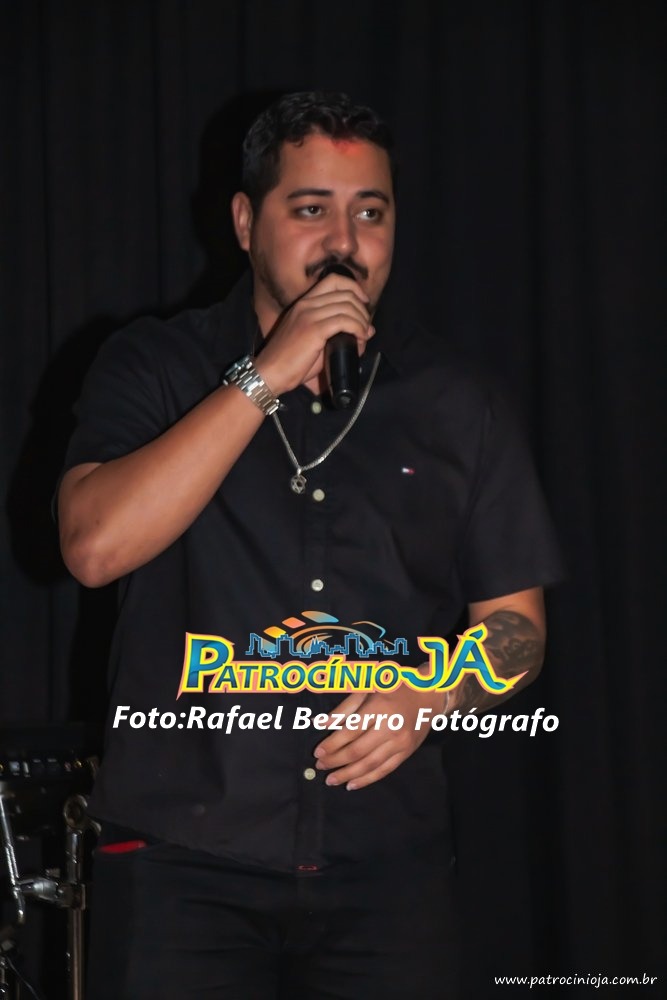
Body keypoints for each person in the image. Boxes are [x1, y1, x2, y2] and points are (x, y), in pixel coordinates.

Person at [58, 91, 561, 999]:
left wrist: (435, 690)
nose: (344, 242)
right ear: (244, 222)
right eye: (310, 208)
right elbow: (94, 548)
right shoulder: (156, 365)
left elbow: (516, 628)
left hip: (387, 873)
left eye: (370, 212)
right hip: (183, 865)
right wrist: (265, 376)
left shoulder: (458, 401)